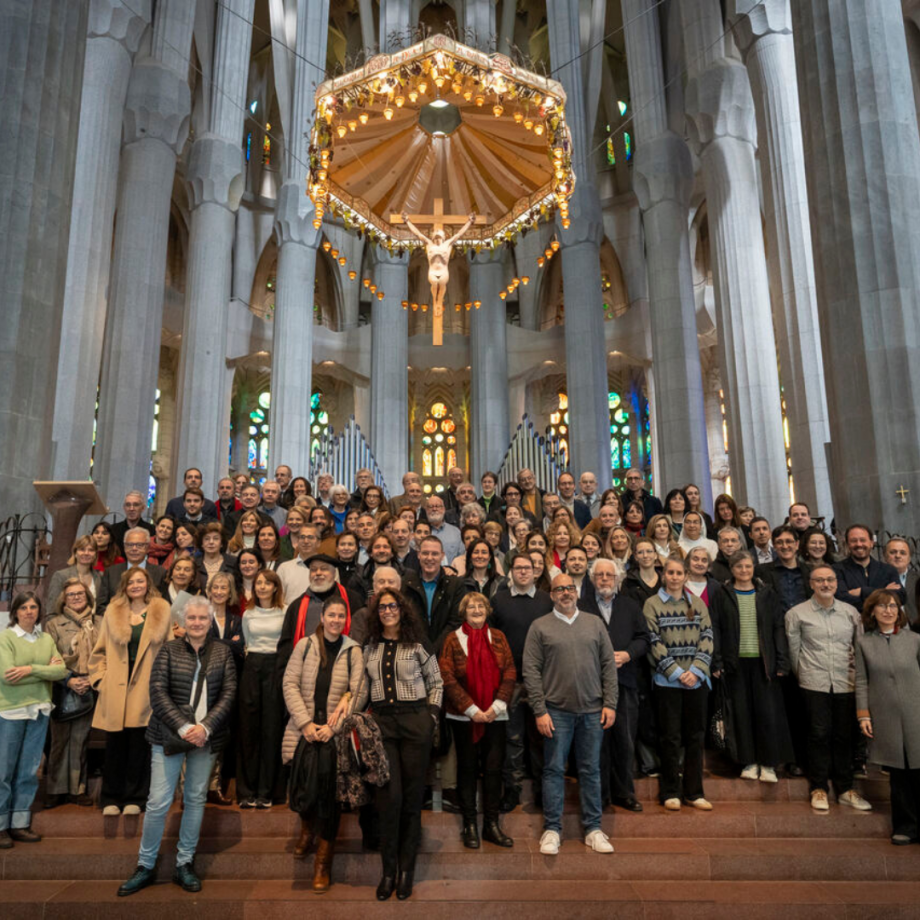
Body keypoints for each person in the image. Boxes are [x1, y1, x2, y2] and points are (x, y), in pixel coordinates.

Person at [116, 595, 237, 897]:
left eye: (203, 618)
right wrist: (184, 728)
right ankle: (145, 864)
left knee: (195, 799)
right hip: (169, 735)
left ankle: (184, 863)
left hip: (205, 737)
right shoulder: (168, 650)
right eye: (192, 618)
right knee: (158, 801)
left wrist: (205, 727)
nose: (197, 623)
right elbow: (157, 693)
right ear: (182, 622)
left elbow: (229, 694)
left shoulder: (223, 653)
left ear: (211, 622)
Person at [523, 572, 617, 856]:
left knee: (590, 770)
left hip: (592, 711)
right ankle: (552, 830)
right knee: (552, 770)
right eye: (559, 589)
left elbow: (608, 666)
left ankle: (593, 829)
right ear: (551, 595)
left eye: (570, 588)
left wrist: (610, 703)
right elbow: (531, 671)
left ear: (576, 592)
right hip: (555, 712)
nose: (565, 592)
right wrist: (539, 710)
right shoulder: (540, 627)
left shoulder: (594, 623)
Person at [282, 596, 367, 890]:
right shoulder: (305, 646)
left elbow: (358, 691)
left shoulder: (353, 650)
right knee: (304, 790)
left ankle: (323, 862)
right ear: (322, 617)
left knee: (330, 798)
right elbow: (289, 683)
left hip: (334, 734)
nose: (335, 620)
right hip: (305, 728)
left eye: (340, 616)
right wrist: (306, 723)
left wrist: (334, 728)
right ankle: (307, 829)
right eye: (331, 615)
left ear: (346, 620)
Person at [364, 590, 443, 901]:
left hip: (415, 723)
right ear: (377, 612)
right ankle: (388, 871)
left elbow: (436, 682)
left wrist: (432, 717)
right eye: (382, 607)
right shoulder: (369, 646)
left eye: (392, 605)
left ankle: (407, 871)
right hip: (382, 725)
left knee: (411, 801)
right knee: (389, 798)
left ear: (402, 609)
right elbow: (363, 688)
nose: (387, 611)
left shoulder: (417, 644)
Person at [786, 565, 871, 812]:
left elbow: (859, 647)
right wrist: (805, 676)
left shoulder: (851, 613)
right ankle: (819, 787)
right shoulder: (796, 614)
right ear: (811, 584)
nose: (826, 584)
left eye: (830, 580)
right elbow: (794, 652)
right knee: (818, 735)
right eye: (820, 580)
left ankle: (845, 789)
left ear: (836, 583)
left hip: (846, 683)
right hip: (814, 682)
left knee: (844, 736)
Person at [90, 567, 172, 815]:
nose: (136, 585)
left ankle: (136, 798)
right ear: (124, 586)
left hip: (147, 688)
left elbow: (168, 650)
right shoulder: (113, 611)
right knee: (115, 745)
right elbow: (99, 651)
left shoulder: (161, 610)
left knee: (140, 746)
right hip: (116, 688)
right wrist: (100, 680)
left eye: (141, 581)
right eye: (131, 582)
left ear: (148, 584)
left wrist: (163, 685)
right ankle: (111, 798)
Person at [438, 592, 516, 849]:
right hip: (463, 716)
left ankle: (491, 825)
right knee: (467, 769)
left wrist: (496, 706)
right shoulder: (452, 639)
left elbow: (510, 672)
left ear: (487, 610)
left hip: (496, 713)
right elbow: (446, 677)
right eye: (471, 606)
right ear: (464, 611)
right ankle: (469, 824)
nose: (476, 609)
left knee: (494, 768)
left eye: (480, 605)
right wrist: (471, 709)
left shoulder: (499, 637)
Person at [710, 551, 793, 783]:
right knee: (741, 714)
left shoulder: (766, 593)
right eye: (739, 567)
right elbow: (715, 627)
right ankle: (748, 762)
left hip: (763, 663)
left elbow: (778, 627)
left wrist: (782, 660)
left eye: (747, 566)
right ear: (732, 569)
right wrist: (716, 660)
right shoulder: (722, 594)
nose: (744, 571)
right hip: (734, 663)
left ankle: (768, 764)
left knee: (767, 714)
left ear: (753, 567)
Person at [643, 556, 714, 811]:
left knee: (695, 736)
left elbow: (707, 636)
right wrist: (675, 672)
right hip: (667, 682)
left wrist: (695, 671)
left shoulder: (696, 603)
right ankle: (670, 791)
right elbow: (653, 640)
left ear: (685, 576)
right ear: (664, 575)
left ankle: (694, 792)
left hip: (696, 682)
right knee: (670, 737)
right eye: (670, 573)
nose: (674, 577)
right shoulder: (652, 604)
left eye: (678, 573)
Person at [580, 558, 648, 812]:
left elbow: (643, 638)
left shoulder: (630, 606)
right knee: (596, 743)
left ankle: (624, 793)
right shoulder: (581, 607)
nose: (605, 579)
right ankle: (600, 794)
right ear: (593, 579)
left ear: (618, 579)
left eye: (610, 575)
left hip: (625, 682)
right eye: (600, 575)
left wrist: (628, 654)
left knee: (624, 740)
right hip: (591, 686)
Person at [0, 592, 66, 846]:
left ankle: (19, 823)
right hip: (11, 710)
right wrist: (43, 671)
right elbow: (7, 675)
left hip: (39, 709)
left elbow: (60, 670)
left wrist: (28, 669)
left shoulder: (46, 638)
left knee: (28, 771)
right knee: (4, 770)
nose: (29, 611)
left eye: (34, 607)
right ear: (15, 611)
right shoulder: (6, 638)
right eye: (24, 607)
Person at [489, 552, 554, 812]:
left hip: (542, 679)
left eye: (528, 568)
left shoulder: (546, 601)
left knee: (542, 736)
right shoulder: (499, 600)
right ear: (511, 572)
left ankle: (541, 792)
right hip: (510, 679)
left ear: (536, 571)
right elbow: (491, 639)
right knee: (512, 738)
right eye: (518, 568)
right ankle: (513, 791)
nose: (524, 572)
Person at [856, 589, 920, 844]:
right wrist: (863, 715)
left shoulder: (914, 639)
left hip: (916, 714)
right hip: (885, 716)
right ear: (872, 611)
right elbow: (861, 681)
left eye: (893, 606)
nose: (889, 610)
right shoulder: (864, 642)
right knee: (899, 775)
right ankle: (906, 826)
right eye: (882, 606)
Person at [43, 580, 102, 808]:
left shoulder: (99, 623)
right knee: (59, 741)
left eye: (80, 594)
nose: (76, 598)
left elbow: (106, 654)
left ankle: (77, 789)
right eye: (71, 595)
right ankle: (55, 789)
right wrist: (69, 680)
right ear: (63, 599)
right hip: (62, 685)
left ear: (88, 596)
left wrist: (91, 678)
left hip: (90, 686)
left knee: (80, 740)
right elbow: (49, 657)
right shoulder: (54, 624)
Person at [237, 570, 287, 807]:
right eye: (258, 583)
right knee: (248, 729)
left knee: (271, 729)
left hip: (275, 668)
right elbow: (247, 643)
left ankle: (267, 792)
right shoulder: (248, 613)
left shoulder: (284, 611)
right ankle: (247, 792)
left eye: (267, 583)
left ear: (275, 587)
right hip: (252, 667)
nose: (262, 586)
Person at [277, 554, 364, 674]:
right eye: (313, 570)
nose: (318, 573)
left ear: (334, 573)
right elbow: (285, 647)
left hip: (344, 671)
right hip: (305, 672)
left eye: (324, 569)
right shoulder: (296, 606)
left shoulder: (352, 600)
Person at [402, 536, 465, 654]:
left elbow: (455, 622)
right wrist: (424, 649)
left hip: (446, 652)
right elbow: (406, 621)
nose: (430, 558)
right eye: (425, 553)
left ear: (442, 556)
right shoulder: (406, 584)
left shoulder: (455, 585)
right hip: (414, 652)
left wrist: (434, 649)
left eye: (435, 554)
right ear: (418, 555)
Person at [96, 528, 168, 616]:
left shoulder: (160, 573)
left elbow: (165, 605)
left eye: (139, 545)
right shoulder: (111, 572)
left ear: (148, 548)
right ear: (124, 547)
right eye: (130, 545)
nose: (134, 549)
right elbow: (101, 606)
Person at [834, 524, 905, 613]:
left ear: (871, 543)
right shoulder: (837, 570)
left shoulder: (888, 570)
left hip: (884, 623)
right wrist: (885, 591)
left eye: (863, 540)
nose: (859, 544)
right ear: (848, 544)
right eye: (853, 540)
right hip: (852, 623)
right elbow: (841, 599)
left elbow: (901, 597)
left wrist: (862, 591)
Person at [47, 535, 102, 606]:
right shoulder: (61, 576)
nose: (86, 553)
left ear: (95, 555)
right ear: (75, 553)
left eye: (91, 550)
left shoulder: (100, 577)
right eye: (82, 549)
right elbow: (52, 608)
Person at [884, 538, 919, 626]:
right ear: (885, 556)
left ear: (909, 558)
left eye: (903, 553)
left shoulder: (918, 580)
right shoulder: (875, 579)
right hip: (883, 629)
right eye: (893, 552)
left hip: (914, 630)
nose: (898, 556)